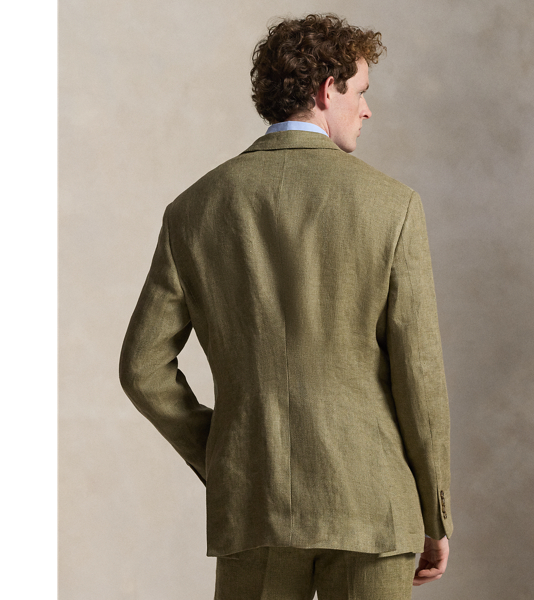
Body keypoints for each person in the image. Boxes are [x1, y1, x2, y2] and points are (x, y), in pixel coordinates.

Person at [119, 13, 453, 600]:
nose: (367, 110)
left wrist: (226, 456)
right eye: (360, 92)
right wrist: (435, 513)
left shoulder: (193, 209)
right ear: (327, 90)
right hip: (374, 506)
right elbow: (418, 376)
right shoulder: (393, 206)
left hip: (257, 504)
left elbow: (142, 369)